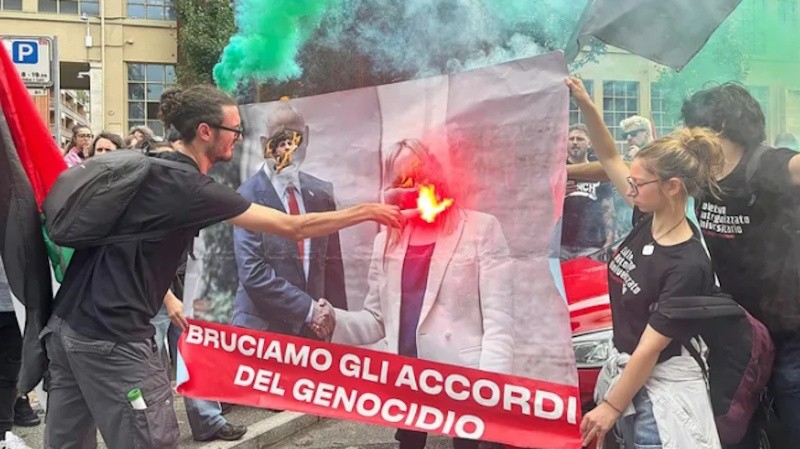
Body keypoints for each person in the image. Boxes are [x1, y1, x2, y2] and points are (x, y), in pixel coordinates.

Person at [41, 84, 403, 449]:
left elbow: (129, 245)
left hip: (65, 328)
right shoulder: (189, 187)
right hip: (113, 340)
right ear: (205, 132)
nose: (240, 138)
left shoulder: (149, 162)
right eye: (233, 130)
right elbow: (293, 226)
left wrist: (167, 298)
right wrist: (367, 211)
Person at [566, 77, 722, 449]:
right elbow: (608, 156)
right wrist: (585, 103)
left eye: (638, 184)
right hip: (631, 383)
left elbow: (651, 348)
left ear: (672, 187)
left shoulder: (687, 263)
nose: (629, 191)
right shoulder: (646, 215)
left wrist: (609, 406)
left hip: (662, 397)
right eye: (630, 183)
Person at [328, 139, 514, 449]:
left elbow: (499, 321)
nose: (411, 187)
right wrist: (328, 319)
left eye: (417, 175)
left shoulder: (482, 229)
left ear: (435, 174)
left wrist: (490, 388)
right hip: (408, 377)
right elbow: (376, 319)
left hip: (463, 381)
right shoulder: (386, 239)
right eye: (400, 181)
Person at [681, 83, 800, 447]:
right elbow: (627, 172)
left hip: (788, 326)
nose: (684, 133)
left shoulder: (767, 165)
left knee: (791, 407)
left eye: (691, 125)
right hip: (740, 331)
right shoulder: (700, 173)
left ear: (718, 127)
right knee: (739, 428)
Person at [232, 100, 347, 340]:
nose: (289, 147)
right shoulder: (247, 196)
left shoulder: (322, 193)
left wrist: (336, 325)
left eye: (296, 138)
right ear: (265, 144)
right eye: (280, 138)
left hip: (313, 335)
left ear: (307, 137)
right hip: (261, 334)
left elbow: (333, 268)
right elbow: (253, 272)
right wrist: (309, 310)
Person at [561, 124, 614, 261]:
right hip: (560, 244)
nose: (574, 142)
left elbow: (607, 206)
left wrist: (610, 236)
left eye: (580, 139)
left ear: (589, 143)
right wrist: (558, 193)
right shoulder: (556, 171)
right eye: (571, 139)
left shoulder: (597, 171)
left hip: (592, 244)